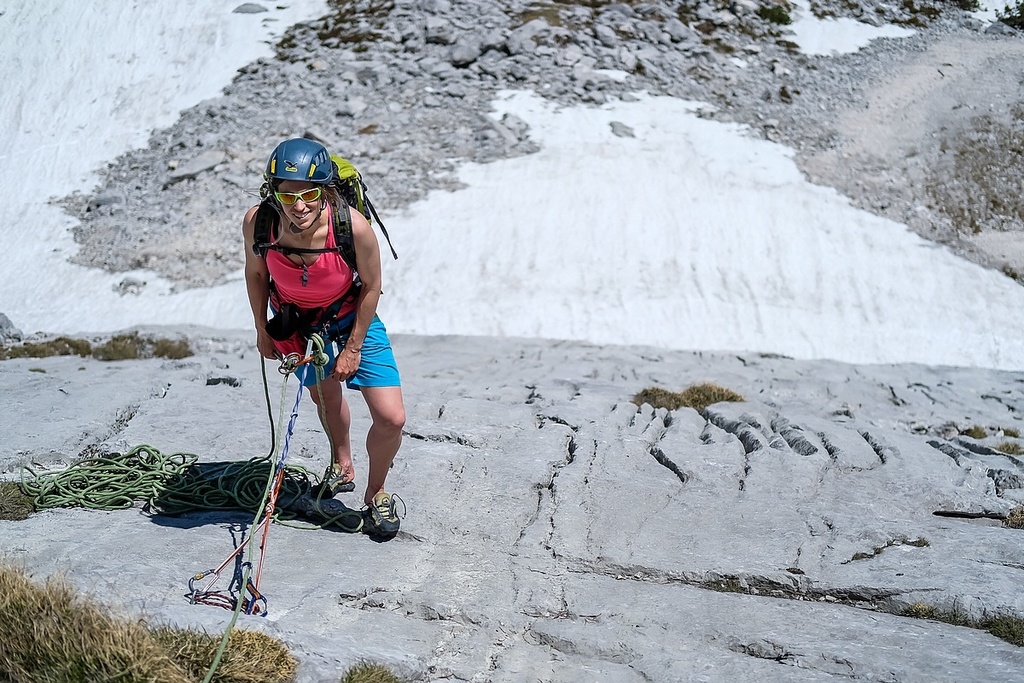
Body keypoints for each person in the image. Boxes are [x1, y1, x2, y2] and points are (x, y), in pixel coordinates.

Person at [242, 137, 405, 537]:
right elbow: (257, 273)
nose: (298, 205)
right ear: (273, 191)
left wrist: (352, 348)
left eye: (309, 194)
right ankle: (342, 463)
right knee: (324, 396)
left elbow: (371, 286)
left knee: (391, 418)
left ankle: (376, 491)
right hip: (296, 324)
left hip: (350, 318)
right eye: (286, 193)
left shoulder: (353, 227)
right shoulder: (259, 222)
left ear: (325, 191)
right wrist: (262, 328)